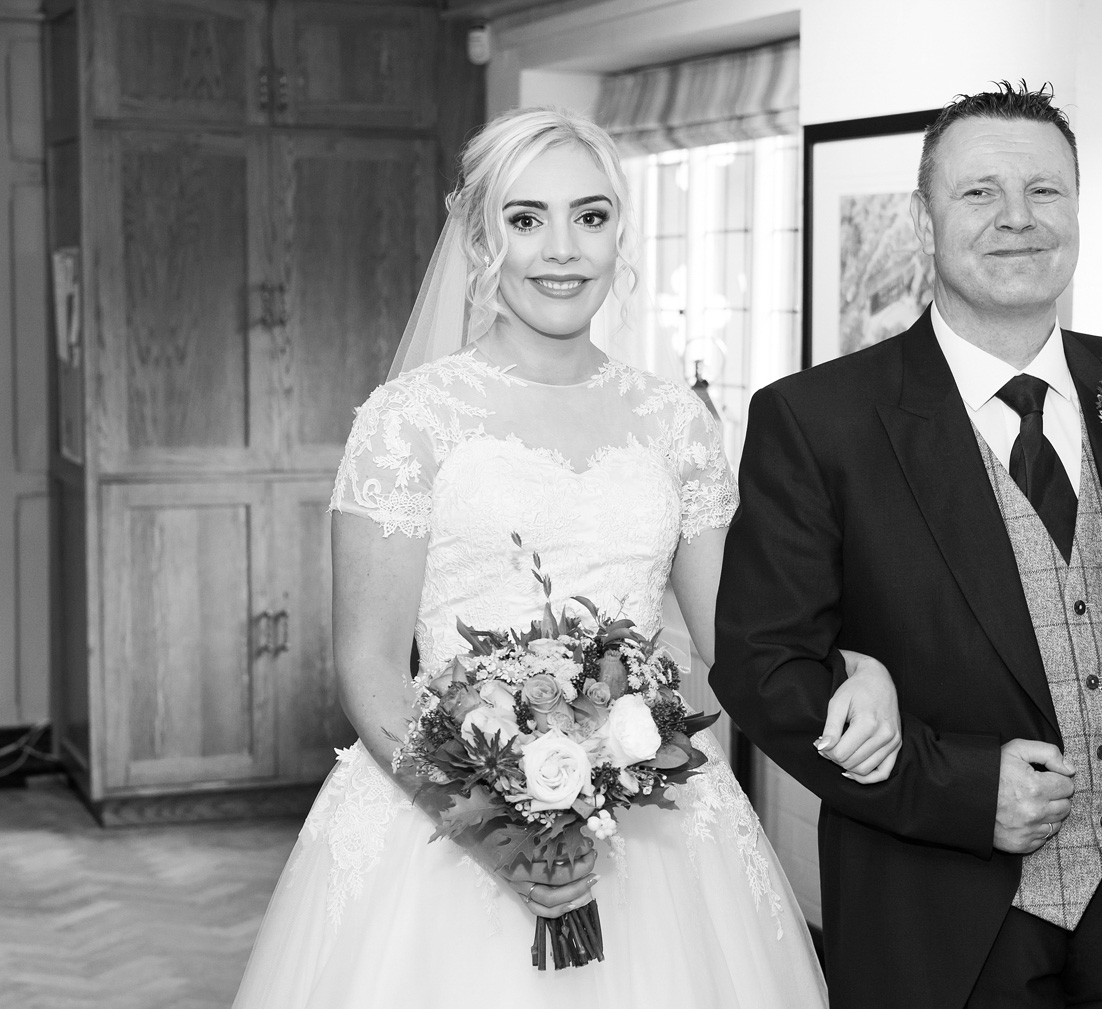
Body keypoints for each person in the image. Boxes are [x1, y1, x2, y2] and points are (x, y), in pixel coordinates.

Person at [231, 106, 901, 1008]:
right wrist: (493, 833)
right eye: (525, 218)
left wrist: (856, 665)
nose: (562, 249)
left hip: (651, 831)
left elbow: (741, 642)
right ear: (480, 238)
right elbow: (370, 666)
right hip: (436, 832)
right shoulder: (407, 422)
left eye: (589, 217)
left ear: (620, 233)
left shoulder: (678, 425)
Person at [712, 83, 1102, 1009]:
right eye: (979, 193)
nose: (1018, 219)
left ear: (1077, 211)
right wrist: (961, 789)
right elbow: (762, 668)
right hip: (942, 925)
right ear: (924, 218)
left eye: (1045, 191)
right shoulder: (818, 421)